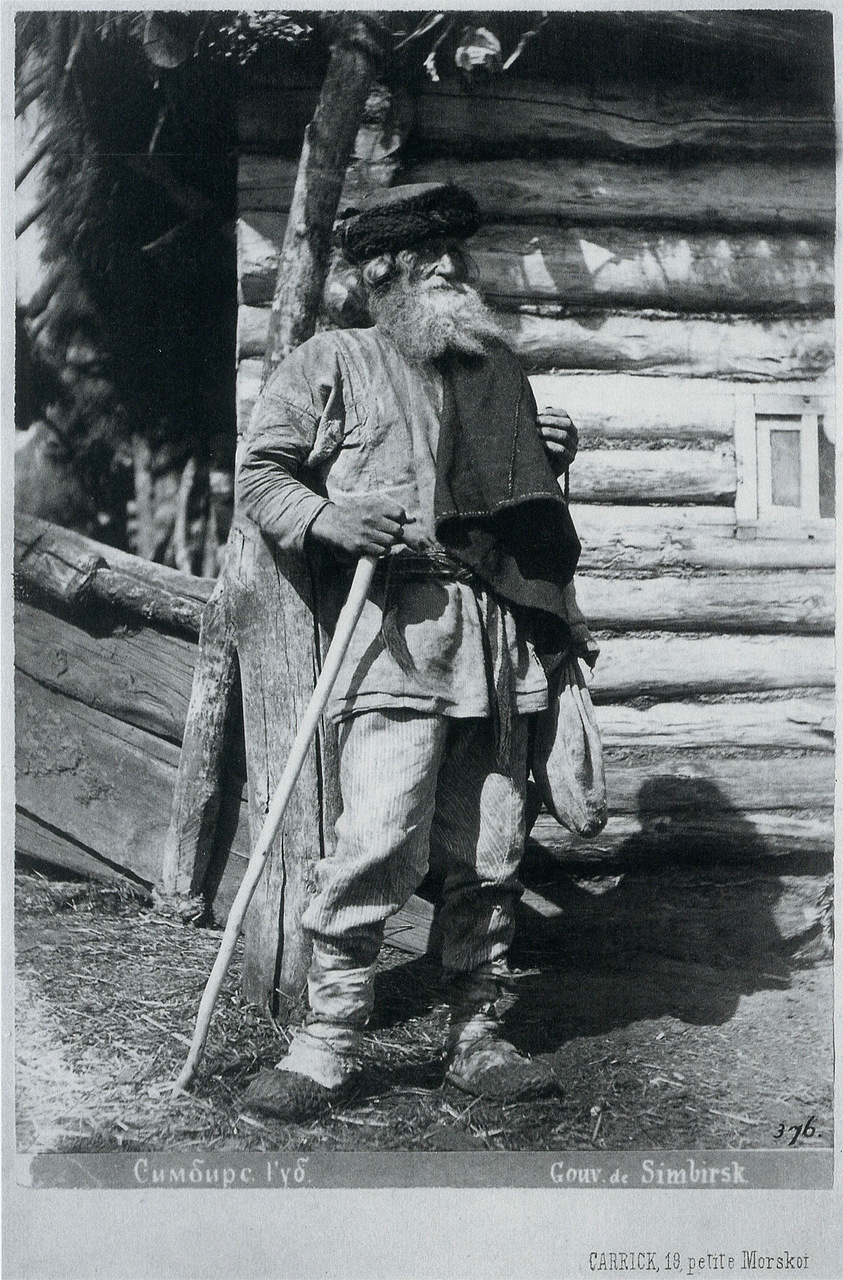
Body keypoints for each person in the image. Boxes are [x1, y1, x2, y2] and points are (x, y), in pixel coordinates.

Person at [236, 182, 588, 1121]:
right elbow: (260, 475)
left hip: (498, 645)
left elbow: (514, 509)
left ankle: (478, 1035)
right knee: (375, 841)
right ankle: (328, 1043)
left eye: (456, 256)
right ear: (380, 271)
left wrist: (548, 456)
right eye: (429, 255)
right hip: (397, 637)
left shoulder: (488, 367)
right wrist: (330, 515)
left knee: (491, 847)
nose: (450, 269)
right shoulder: (334, 360)